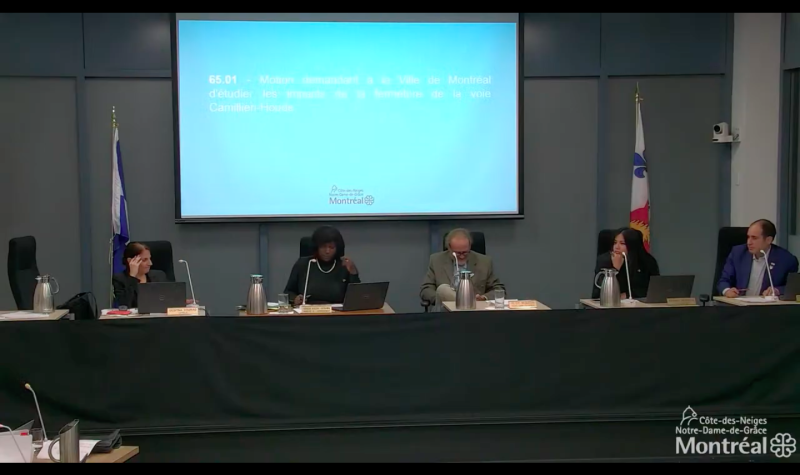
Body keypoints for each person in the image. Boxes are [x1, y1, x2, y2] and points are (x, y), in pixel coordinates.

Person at [420, 228, 505, 306]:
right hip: (445, 311)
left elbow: (499, 289)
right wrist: (441, 299)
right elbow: (426, 290)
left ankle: (466, 303)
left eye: (465, 252)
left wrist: (483, 298)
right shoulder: (436, 260)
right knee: (443, 289)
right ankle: (463, 302)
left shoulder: (484, 262)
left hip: (475, 310)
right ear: (449, 248)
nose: (461, 256)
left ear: (470, 246)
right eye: (457, 253)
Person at [718, 219, 799, 297]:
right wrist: (727, 290)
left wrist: (777, 290)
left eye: (754, 238)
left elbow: (793, 288)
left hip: (767, 309)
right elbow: (724, 280)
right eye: (748, 237)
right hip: (739, 307)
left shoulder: (786, 260)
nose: (749, 242)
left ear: (768, 240)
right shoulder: (738, 253)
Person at [284, 226, 360, 305]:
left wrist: (353, 273)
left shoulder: (344, 265)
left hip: (336, 314)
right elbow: (288, 292)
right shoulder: (304, 264)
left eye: (331, 247)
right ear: (316, 247)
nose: (327, 251)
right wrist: (295, 299)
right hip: (308, 313)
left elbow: (357, 296)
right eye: (323, 247)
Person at [593, 228, 660, 299]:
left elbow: (653, 290)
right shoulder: (605, 260)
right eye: (615, 243)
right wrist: (615, 269)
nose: (616, 247)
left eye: (622, 243)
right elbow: (600, 291)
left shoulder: (646, 261)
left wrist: (627, 295)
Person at [112, 242, 169, 308]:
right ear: (131, 261)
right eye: (145, 260)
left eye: (149, 259)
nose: (150, 263)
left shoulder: (159, 275)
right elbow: (125, 305)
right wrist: (132, 276)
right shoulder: (119, 279)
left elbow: (169, 300)